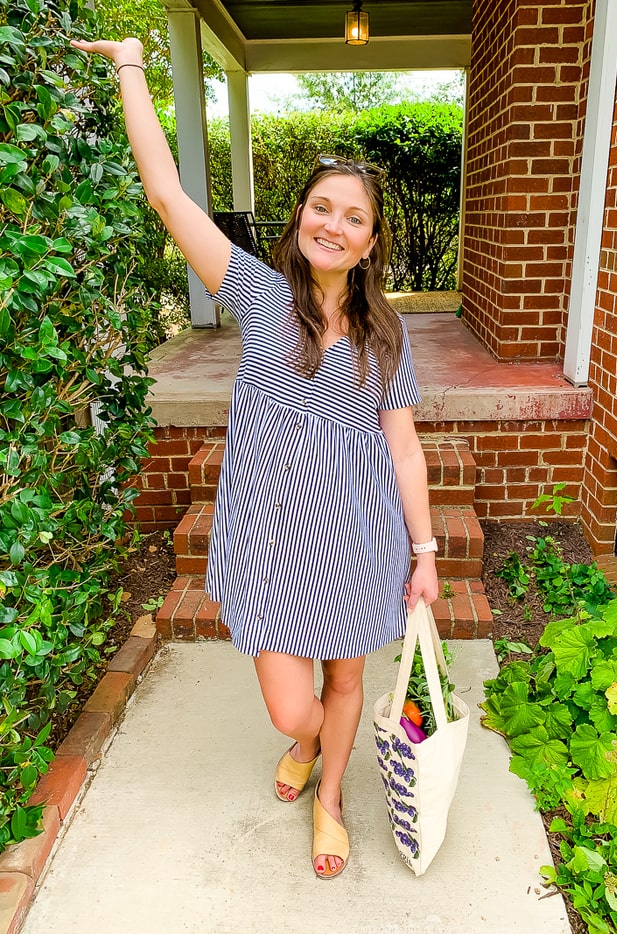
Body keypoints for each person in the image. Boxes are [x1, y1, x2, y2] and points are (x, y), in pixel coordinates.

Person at [71, 37, 439, 879]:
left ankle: (332, 795)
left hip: (359, 538)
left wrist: (422, 554)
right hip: (273, 538)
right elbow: (168, 196)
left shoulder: (387, 333)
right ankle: (307, 745)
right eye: (321, 207)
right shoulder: (256, 292)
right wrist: (132, 63)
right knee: (292, 707)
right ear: (299, 217)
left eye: (354, 217)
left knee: (347, 680)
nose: (333, 225)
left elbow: (402, 445)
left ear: (372, 240)